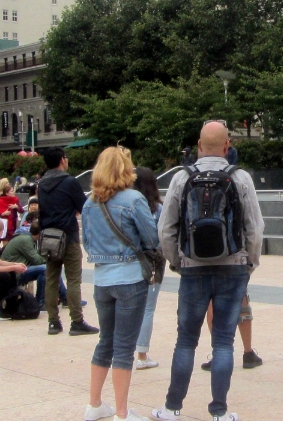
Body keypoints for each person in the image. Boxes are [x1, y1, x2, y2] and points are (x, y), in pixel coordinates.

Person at [152, 121, 264, 421]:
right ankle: (219, 411)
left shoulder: (181, 178)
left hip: (193, 268)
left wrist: (177, 260)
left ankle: (172, 408)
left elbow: (166, 229)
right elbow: (255, 228)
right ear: (228, 146)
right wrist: (249, 263)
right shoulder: (240, 178)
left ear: (198, 146)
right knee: (224, 342)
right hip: (233, 267)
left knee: (186, 340)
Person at [82, 147, 159, 421]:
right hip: (129, 278)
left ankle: (94, 405)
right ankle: (123, 414)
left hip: (102, 279)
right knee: (125, 347)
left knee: (105, 341)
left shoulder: (89, 203)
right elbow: (151, 238)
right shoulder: (134, 199)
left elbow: (87, 243)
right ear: (126, 169)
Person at [38, 146, 97, 336]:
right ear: (63, 160)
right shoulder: (69, 182)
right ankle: (76, 321)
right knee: (73, 280)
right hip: (68, 236)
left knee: (51, 280)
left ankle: (53, 322)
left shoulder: (41, 184)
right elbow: (83, 206)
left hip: (48, 237)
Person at [134, 167, 164, 370]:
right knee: (148, 308)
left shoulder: (128, 205)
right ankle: (142, 354)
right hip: (152, 262)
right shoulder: (157, 208)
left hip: (131, 260)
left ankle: (125, 351)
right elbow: (161, 237)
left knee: (131, 308)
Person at [0, 219, 67, 308]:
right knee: (46, 268)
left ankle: (64, 297)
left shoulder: (26, 238)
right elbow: (37, 260)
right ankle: (41, 301)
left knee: (49, 268)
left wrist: (14, 264)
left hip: (14, 270)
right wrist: (50, 257)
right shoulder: (25, 240)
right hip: (13, 274)